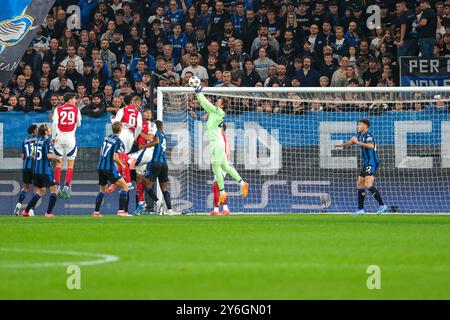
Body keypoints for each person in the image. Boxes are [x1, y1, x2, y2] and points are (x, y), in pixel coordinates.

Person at [191, 80, 249, 208]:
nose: (216, 101)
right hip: (219, 141)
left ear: (221, 105)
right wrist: (198, 93)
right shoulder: (215, 112)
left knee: (215, 167)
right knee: (224, 165)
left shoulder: (218, 111)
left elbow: (205, 103)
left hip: (216, 142)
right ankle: (242, 183)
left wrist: (198, 91)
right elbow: (205, 104)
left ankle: (222, 192)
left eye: (219, 101)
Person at [333, 119, 388, 215]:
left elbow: (371, 146)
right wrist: (340, 145)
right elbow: (351, 142)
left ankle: (382, 205)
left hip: (372, 162)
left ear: (365, 126)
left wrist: (358, 143)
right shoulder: (359, 135)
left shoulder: (368, 135)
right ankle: (360, 209)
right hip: (366, 163)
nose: (358, 126)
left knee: (368, 184)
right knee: (359, 184)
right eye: (358, 125)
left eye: (360, 125)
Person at [21, 124, 61, 217]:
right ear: (46, 132)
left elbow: (31, 155)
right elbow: (49, 155)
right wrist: (58, 158)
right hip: (45, 171)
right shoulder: (47, 141)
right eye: (49, 128)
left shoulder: (37, 141)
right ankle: (48, 213)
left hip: (35, 171)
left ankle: (26, 211)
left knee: (41, 191)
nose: (50, 129)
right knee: (54, 191)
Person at [93, 121, 130, 217]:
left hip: (101, 166)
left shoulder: (106, 137)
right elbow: (115, 157)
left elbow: (102, 150)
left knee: (102, 190)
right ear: (120, 129)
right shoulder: (118, 141)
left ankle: (96, 212)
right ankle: (121, 211)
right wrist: (122, 165)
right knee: (125, 187)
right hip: (109, 167)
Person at [126, 109, 157, 215]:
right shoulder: (138, 125)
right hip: (139, 152)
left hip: (146, 152)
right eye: (146, 112)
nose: (148, 114)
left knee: (124, 159)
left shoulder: (152, 125)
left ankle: (127, 183)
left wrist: (139, 131)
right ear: (141, 114)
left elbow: (149, 137)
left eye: (150, 113)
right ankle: (141, 203)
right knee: (139, 178)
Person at [52, 92, 82, 199]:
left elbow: (55, 124)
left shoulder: (58, 109)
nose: (76, 101)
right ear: (69, 100)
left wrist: (53, 138)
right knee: (70, 164)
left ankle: (57, 186)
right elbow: (79, 124)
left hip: (59, 138)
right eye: (74, 99)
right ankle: (66, 187)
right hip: (70, 138)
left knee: (58, 164)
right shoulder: (76, 109)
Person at [143, 121, 175, 215]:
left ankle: (157, 201)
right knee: (164, 189)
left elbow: (153, 140)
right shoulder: (163, 135)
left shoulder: (156, 133)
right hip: (164, 163)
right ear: (162, 127)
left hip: (155, 162)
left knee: (147, 185)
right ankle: (170, 210)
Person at [14, 125, 38, 216]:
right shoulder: (38, 139)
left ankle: (19, 204)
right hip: (35, 166)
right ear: (35, 130)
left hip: (26, 166)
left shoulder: (24, 141)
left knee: (26, 187)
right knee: (36, 188)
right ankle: (31, 209)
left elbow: (22, 156)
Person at [210, 123, 231, 216]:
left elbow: (225, 153)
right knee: (216, 186)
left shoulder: (222, 138)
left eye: (219, 128)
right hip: (220, 163)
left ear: (222, 129)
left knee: (216, 185)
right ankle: (217, 209)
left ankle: (224, 208)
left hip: (222, 164)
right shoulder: (220, 138)